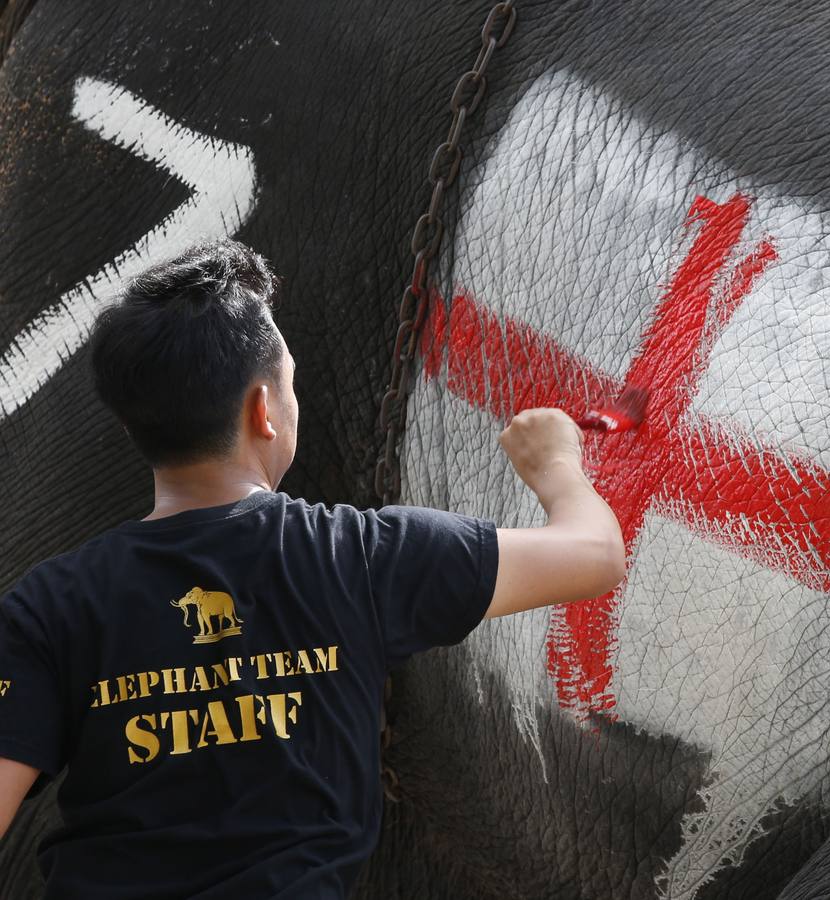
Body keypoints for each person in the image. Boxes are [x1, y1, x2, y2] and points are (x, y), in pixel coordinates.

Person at [0, 239, 625, 898]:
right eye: (288, 380)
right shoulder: (361, 557)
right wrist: (555, 465)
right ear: (263, 411)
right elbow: (593, 556)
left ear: (134, 426)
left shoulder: (47, 607)